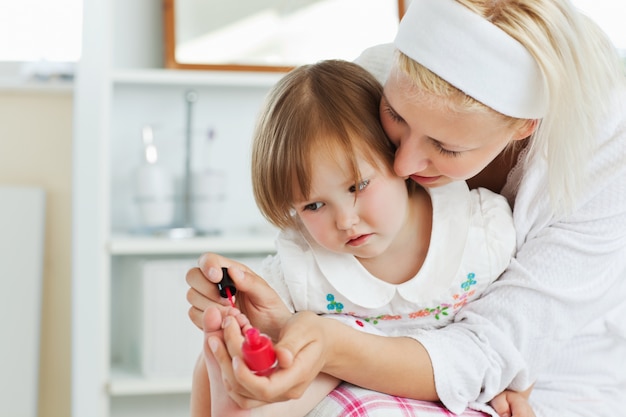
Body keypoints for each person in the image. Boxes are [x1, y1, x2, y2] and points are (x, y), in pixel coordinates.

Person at [186, 0, 626, 416]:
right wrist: (265, 321)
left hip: (547, 377)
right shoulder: (371, 82)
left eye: (446, 147)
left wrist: (330, 343)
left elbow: (497, 353)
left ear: (524, 127)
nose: (403, 164)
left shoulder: (600, 157)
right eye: (394, 116)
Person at [197, 58, 530, 417]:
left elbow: (513, 329)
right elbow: (221, 364)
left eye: (358, 186)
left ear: (397, 158)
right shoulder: (300, 268)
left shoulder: (481, 231)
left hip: (445, 380)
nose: (345, 220)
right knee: (257, 354)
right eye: (314, 205)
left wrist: (519, 389)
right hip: (345, 385)